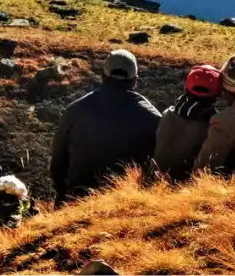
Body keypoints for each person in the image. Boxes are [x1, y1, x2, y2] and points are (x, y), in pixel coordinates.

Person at [50, 49, 161, 206]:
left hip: (76, 201)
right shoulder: (153, 117)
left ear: (103, 77)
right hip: (125, 206)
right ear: (135, 80)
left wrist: (63, 195)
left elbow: (58, 161)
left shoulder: (75, 110)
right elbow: (158, 167)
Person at [154, 64, 222, 181]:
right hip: (183, 188)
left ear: (186, 88)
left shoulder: (167, 114)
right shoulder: (212, 127)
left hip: (155, 179)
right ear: (217, 94)